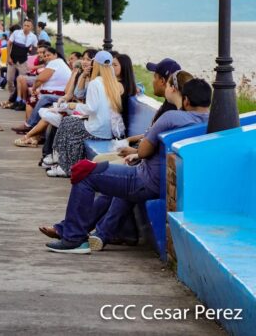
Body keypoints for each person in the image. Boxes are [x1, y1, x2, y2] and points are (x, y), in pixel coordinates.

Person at [44, 77, 211, 254]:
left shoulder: (172, 118)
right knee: (110, 181)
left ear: (186, 100)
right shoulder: (213, 123)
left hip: (145, 180)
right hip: (171, 185)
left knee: (84, 172)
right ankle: (95, 232)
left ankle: (73, 238)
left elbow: (144, 150)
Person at [46, 51, 125, 178]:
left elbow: (90, 109)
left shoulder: (95, 83)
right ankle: (64, 162)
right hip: (106, 131)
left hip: (95, 130)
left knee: (68, 125)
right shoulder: (113, 83)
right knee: (70, 125)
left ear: (96, 65)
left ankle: (62, 163)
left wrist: (73, 106)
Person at [11, 46, 71, 140]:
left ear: (55, 55)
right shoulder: (59, 63)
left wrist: (34, 88)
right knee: (33, 99)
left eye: (49, 55)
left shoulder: (55, 62)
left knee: (33, 99)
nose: (46, 57)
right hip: (56, 93)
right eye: (45, 56)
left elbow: (40, 79)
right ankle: (31, 128)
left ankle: (29, 125)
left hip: (57, 95)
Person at [5, 20, 38, 105]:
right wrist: (8, 57)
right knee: (9, 79)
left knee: (22, 80)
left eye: (28, 26)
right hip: (13, 59)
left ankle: (20, 98)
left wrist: (31, 53)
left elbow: (35, 48)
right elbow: (9, 44)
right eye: (25, 25)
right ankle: (12, 96)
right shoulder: (16, 33)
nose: (26, 27)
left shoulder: (33, 37)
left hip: (23, 60)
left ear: (31, 27)